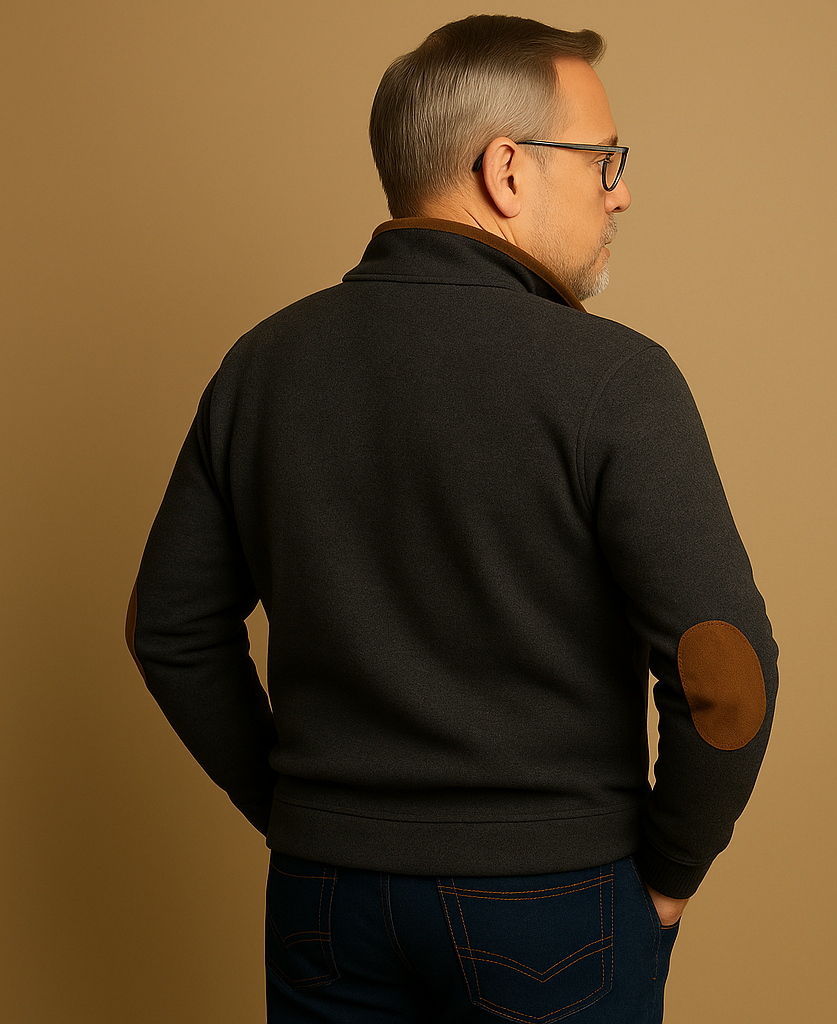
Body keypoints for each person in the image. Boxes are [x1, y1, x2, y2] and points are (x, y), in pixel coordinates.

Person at [126, 14, 778, 1024]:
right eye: (602, 159)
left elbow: (168, 628)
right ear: (506, 170)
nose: (620, 191)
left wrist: (306, 813)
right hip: (555, 902)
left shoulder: (262, 366)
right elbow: (725, 673)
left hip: (322, 900)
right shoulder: (613, 378)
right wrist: (671, 871)